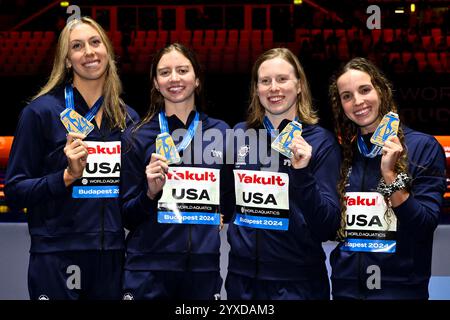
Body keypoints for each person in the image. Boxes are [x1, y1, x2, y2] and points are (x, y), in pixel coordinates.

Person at [4, 17, 139, 300]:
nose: (88, 52)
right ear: (67, 60)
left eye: (95, 42)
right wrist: (66, 176)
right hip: (57, 256)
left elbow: (129, 198)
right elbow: (15, 191)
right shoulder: (40, 113)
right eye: (77, 46)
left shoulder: (128, 119)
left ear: (107, 51)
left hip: (112, 257)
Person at [226, 48, 341, 300]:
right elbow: (225, 201)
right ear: (256, 89)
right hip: (242, 280)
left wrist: (303, 174)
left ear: (299, 85)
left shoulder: (321, 143)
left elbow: (327, 226)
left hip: (298, 283)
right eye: (265, 81)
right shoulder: (238, 135)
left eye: (282, 79)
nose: (273, 88)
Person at [120, 43, 233, 300]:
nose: (174, 79)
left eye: (182, 70)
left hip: (202, 271)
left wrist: (222, 214)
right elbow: (126, 215)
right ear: (155, 83)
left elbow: (230, 196)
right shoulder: (136, 136)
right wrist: (149, 194)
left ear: (197, 79)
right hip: (147, 270)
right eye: (165, 72)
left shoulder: (222, 133)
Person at [329, 57, 446, 299]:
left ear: (381, 90)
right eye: (347, 96)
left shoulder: (422, 147)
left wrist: (391, 177)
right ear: (341, 105)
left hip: (400, 289)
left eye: (365, 90)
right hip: (346, 288)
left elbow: (423, 227)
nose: (358, 101)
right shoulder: (345, 153)